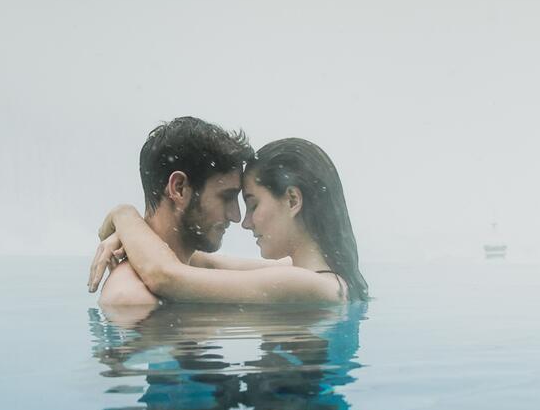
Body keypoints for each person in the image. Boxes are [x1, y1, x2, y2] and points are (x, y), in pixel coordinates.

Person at [90, 136, 369, 305]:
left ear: (293, 201)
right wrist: (129, 234)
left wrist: (123, 215)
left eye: (252, 204)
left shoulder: (308, 285)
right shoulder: (311, 274)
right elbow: (200, 260)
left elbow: (166, 276)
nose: (244, 222)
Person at [93, 116, 256, 309]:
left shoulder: (191, 265)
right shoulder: (132, 299)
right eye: (226, 197)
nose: (235, 216)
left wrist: (123, 216)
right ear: (179, 188)